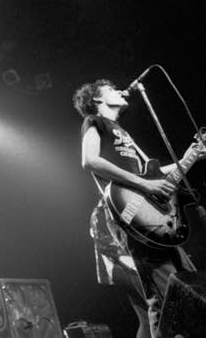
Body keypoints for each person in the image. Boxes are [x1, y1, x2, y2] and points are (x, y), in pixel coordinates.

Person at [72, 79, 204, 337]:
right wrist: (143, 183)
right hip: (132, 215)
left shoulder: (123, 131)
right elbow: (89, 160)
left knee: (188, 290)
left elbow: (152, 175)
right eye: (111, 89)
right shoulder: (95, 122)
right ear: (97, 100)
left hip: (156, 216)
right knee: (166, 298)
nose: (120, 90)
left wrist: (192, 154)